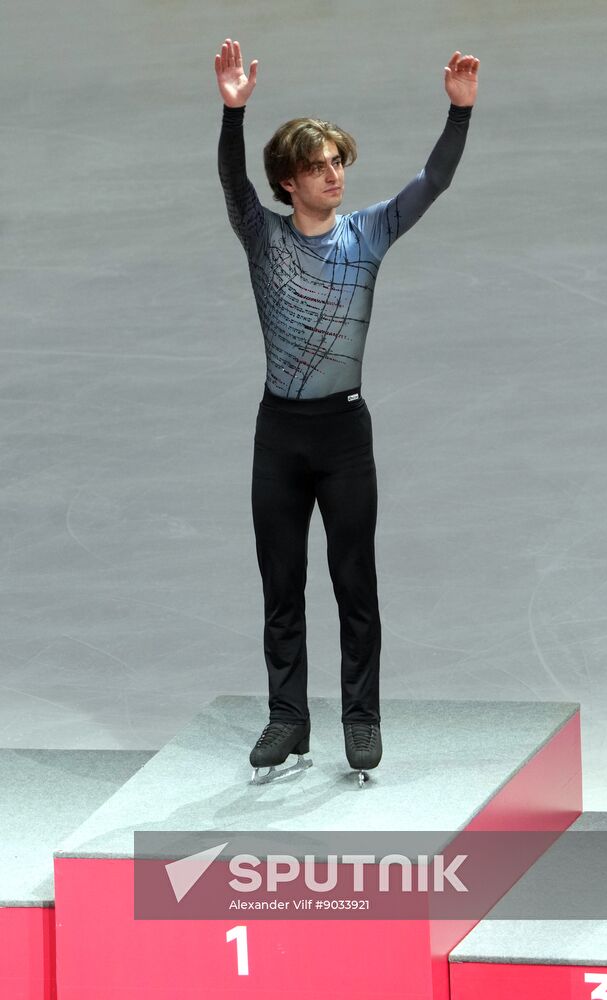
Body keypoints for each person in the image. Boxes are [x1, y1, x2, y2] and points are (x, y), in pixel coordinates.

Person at [215, 37, 479, 781]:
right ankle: (287, 720)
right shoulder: (262, 240)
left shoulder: (367, 232)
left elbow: (434, 179)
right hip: (279, 436)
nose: (333, 174)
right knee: (281, 585)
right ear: (287, 184)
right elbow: (231, 180)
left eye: (337, 162)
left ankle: (359, 720)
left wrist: (457, 114)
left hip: (342, 436)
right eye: (317, 166)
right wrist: (233, 112)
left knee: (354, 583)